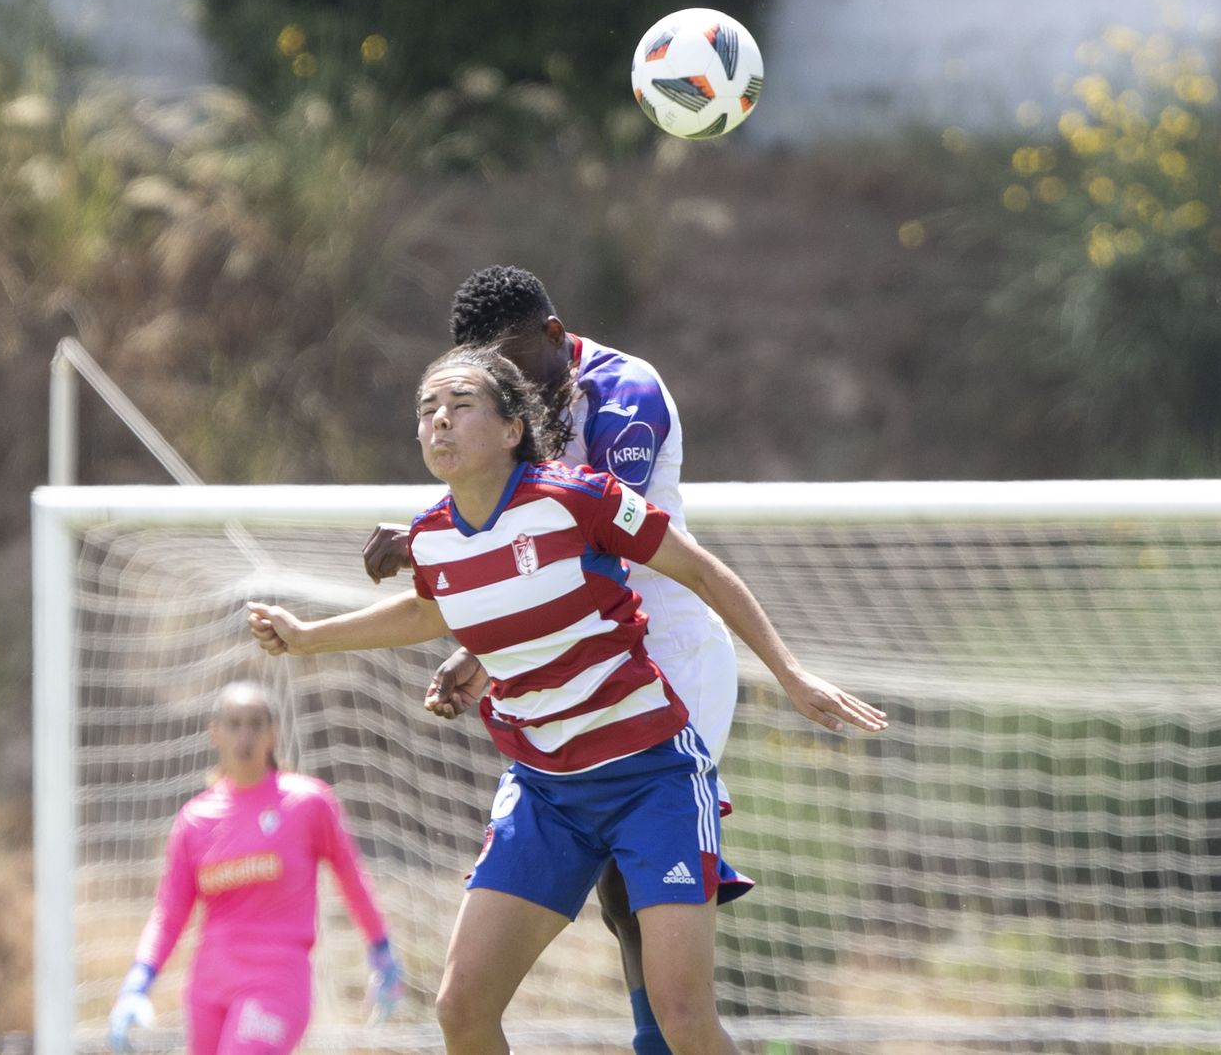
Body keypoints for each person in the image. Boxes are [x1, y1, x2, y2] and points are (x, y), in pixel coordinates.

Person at [247, 346, 886, 1055]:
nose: (438, 421)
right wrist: (307, 637)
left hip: (653, 781)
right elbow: (426, 612)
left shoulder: (578, 498)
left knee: (684, 1019)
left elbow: (700, 569)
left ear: (513, 427)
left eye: (459, 405)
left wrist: (792, 674)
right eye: (427, 409)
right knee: (461, 1008)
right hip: (545, 792)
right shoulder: (430, 536)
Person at [361, 264, 741, 1054]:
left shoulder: (625, 392)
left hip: (663, 653)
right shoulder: (520, 393)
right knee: (612, 887)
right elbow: (521, 539)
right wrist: (481, 641)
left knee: (641, 885)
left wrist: (475, 627)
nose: (504, 378)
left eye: (512, 357)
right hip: (576, 647)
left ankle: (662, 1040)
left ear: (551, 332)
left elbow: (587, 536)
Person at [107, 681, 403, 1055]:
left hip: (277, 982)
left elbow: (351, 876)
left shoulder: (307, 803)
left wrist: (382, 950)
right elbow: (170, 913)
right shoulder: (195, 820)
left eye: (255, 723)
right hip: (209, 987)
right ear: (215, 734)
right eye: (234, 724)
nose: (245, 735)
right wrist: (138, 981)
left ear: (273, 734)